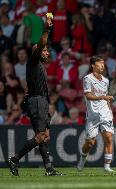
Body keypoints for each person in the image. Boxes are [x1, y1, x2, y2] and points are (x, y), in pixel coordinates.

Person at [7, 14, 62, 176]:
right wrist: (47, 28)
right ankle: (15, 159)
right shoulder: (33, 61)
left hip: (40, 101)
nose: (46, 52)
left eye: (46, 50)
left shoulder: (39, 67)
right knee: (41, 136)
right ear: (36, 51)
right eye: (43, 50)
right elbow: (42, 43)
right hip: (37, 102)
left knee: (45, 136)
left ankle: (49, 169)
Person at [77, 55, 115, 173]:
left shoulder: (106, 80)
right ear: (93, 65)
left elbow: (106, 98)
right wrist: (103, 97)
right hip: (93, 115)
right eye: (99, 64)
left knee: (108, 137)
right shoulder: (87, 79)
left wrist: (110, 110)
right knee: (90, 143)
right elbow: (88, 96)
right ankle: (83, 158)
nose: (102, 66)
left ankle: (107, 167)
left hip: (105, 112)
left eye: (103, 64)